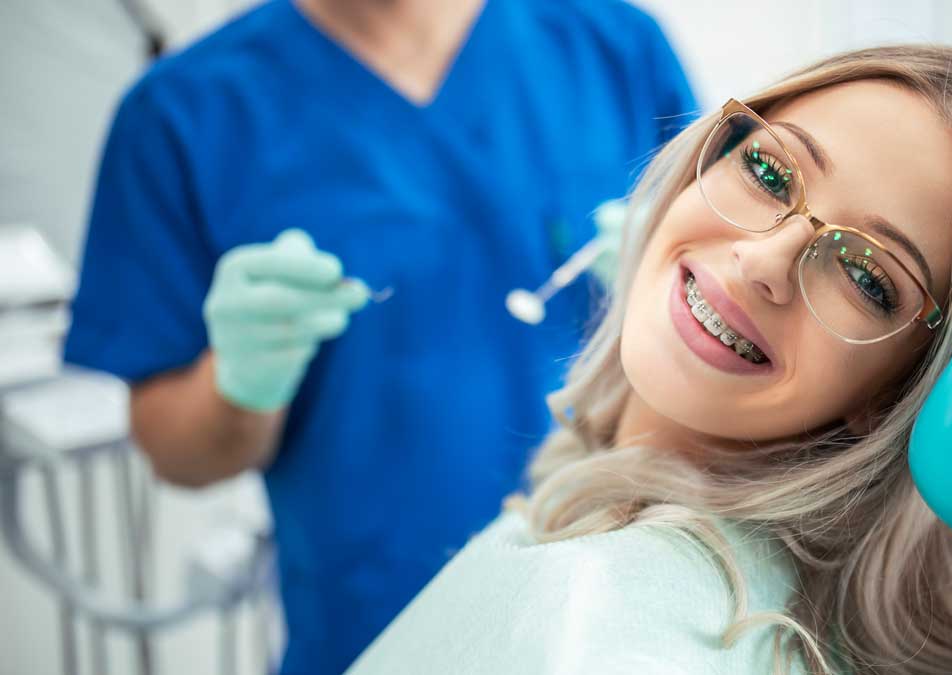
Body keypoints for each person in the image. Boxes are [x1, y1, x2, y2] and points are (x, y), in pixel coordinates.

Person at [346, 45, 952, 674]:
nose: (764, 259)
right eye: (768, 169)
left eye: (866, 277)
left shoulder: (608, 616)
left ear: (899, 392)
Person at [63, 0, 695, 672]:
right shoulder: (184, 114)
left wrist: (674, 283)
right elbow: (176, 452)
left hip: (617, 620)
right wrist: (240, 379)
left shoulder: (612, 46)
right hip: (375, 635)